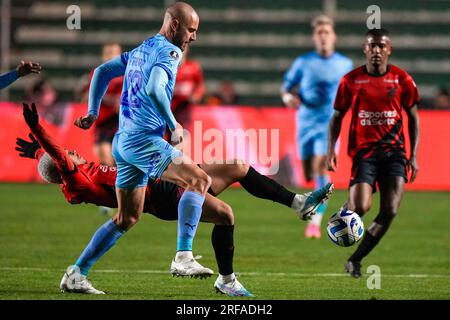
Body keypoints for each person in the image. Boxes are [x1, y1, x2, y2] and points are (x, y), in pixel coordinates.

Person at [17, 102, 333, 297]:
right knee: (225, 213)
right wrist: (40, 132)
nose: (72, 151)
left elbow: (57, 160)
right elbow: (60, 158)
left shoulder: (79, 171)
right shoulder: (76, 176)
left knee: (237, 167)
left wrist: (35, 152)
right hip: (162, 195)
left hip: (160, 183)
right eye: (66, 154)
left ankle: (298, 204)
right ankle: (207, 268)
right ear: (62, 165)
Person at [327, 28, 420, 278]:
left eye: (382, 46)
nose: (377, 51)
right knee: (361, 207)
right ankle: (343, 215)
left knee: (389, 210)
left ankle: (355, 259)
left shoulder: (403, 80)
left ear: (389, 49)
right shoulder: (351, 81)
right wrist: (331, 151)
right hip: (364, 154)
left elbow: (413, 118)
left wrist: (414, 155)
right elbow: (337, 117)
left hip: (395, 154)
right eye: (372, 46)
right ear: (365, 49)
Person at [280, 15, 353, 239]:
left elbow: (351, 92)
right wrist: (287, 98)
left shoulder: (345, 64)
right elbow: (287, 86)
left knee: (322, 168)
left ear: (334, 37)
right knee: (308, 172)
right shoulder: (303, 62)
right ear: (314, 37)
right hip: (305, 122)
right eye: (319, 33)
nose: (323, 37)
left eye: (327, 33)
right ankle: (315, 205)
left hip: (329, 124)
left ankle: (315, 222)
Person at [81, 43, 124, 166]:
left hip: (121, 122)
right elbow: (87, 97)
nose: (110, 56)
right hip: (102, 122)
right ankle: (108, 183)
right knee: (105, 158)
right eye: (107, 53)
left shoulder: (127, 73)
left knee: (119, 159)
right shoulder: (97, 74)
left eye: (113, 53)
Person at [171, 47, 205, 131]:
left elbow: (200, 86)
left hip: (186, 107)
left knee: (183, 133)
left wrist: (196, 96)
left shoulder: (193, 67)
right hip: (169, 107)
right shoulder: (168, 67)